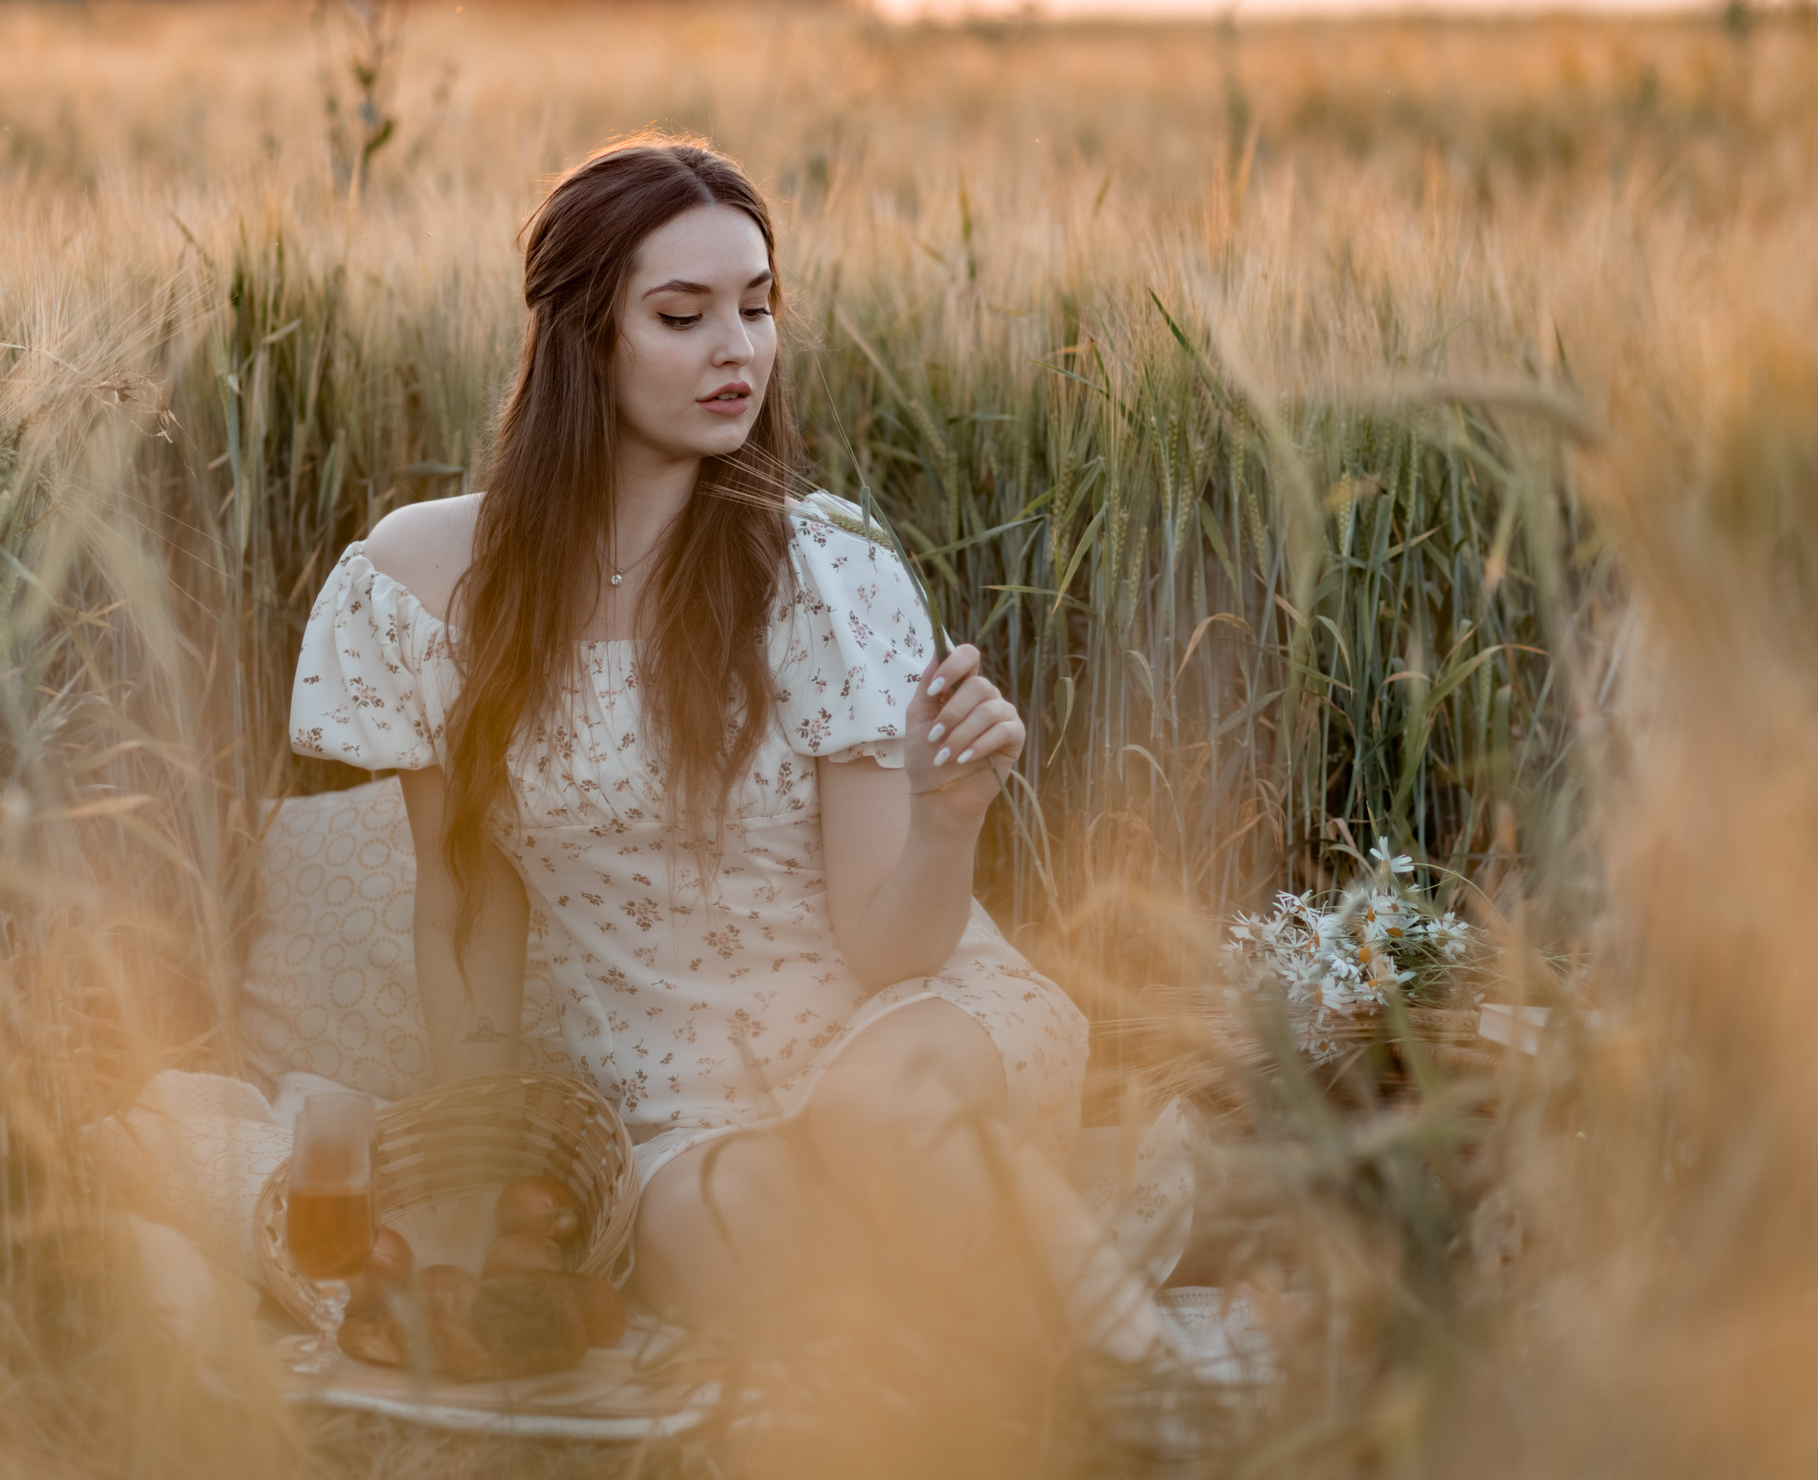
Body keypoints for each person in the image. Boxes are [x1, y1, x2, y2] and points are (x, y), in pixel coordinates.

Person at [288, 135, 1162, 1356]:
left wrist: (950, 814)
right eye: (684, 315)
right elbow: (463, 911)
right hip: (665, 1106)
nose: (736, 349)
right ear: (583, 334)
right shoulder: (422, 585)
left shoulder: (823, 567)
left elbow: (888, 944)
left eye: (757, 308)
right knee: (772, 1258)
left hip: (901, 1028)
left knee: (874, 1112)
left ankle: (1157, 1393)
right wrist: (476, 1177)